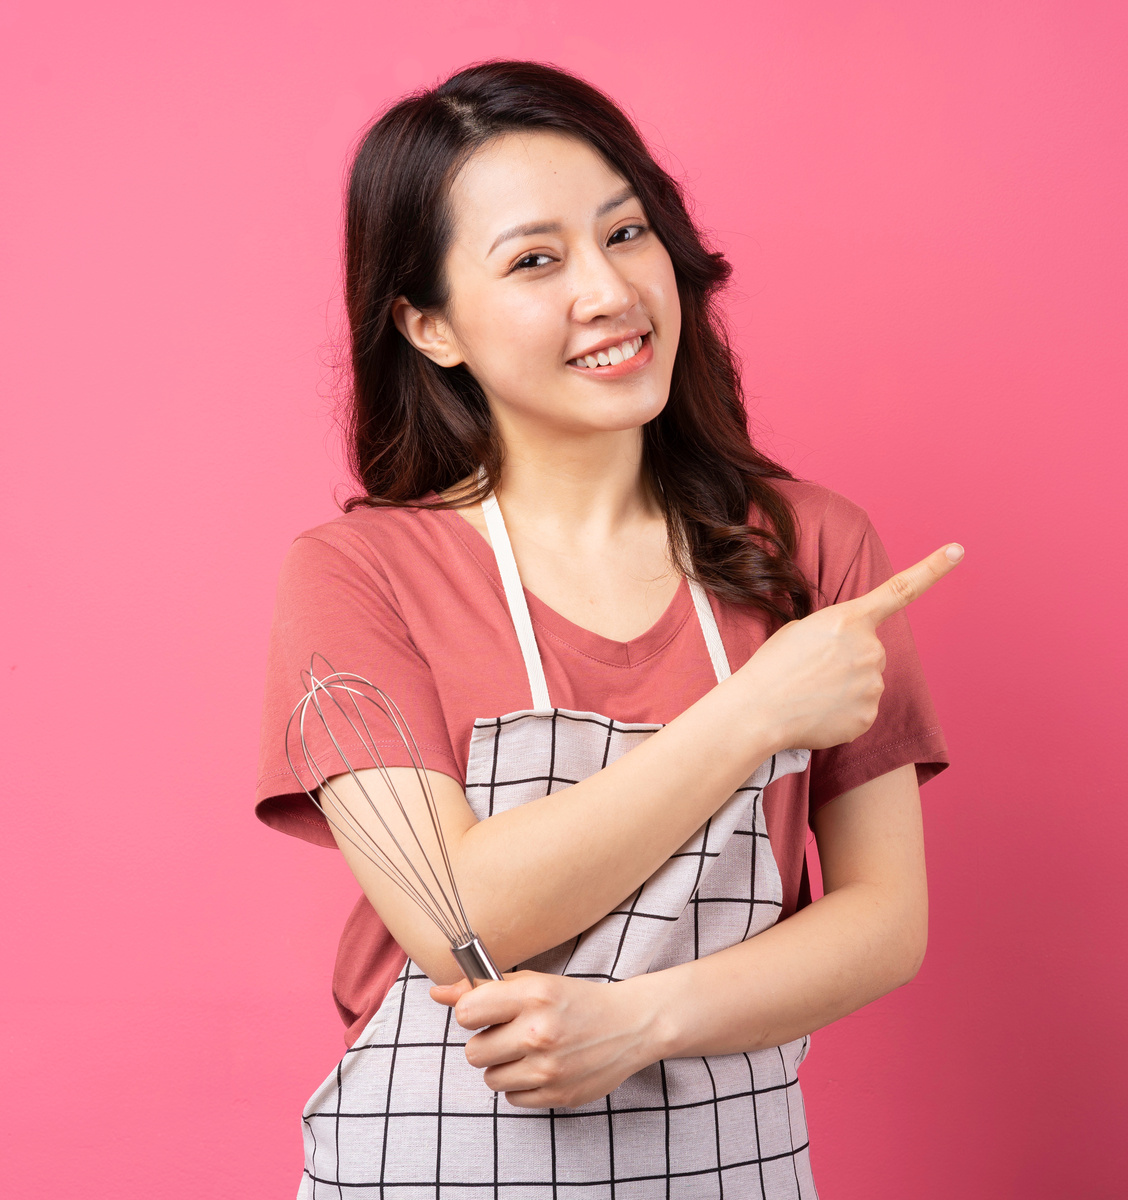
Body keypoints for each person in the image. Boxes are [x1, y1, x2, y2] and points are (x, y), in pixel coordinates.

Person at [253, 59, 960, 1198]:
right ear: (429, 325)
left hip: (728, 1167)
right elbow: (461, 918)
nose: (610, 291)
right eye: (536, 260)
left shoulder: (810, 547)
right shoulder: (361, 573)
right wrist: (754, 714)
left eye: (625, 235)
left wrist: (639, 1022)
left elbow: (886, 922)